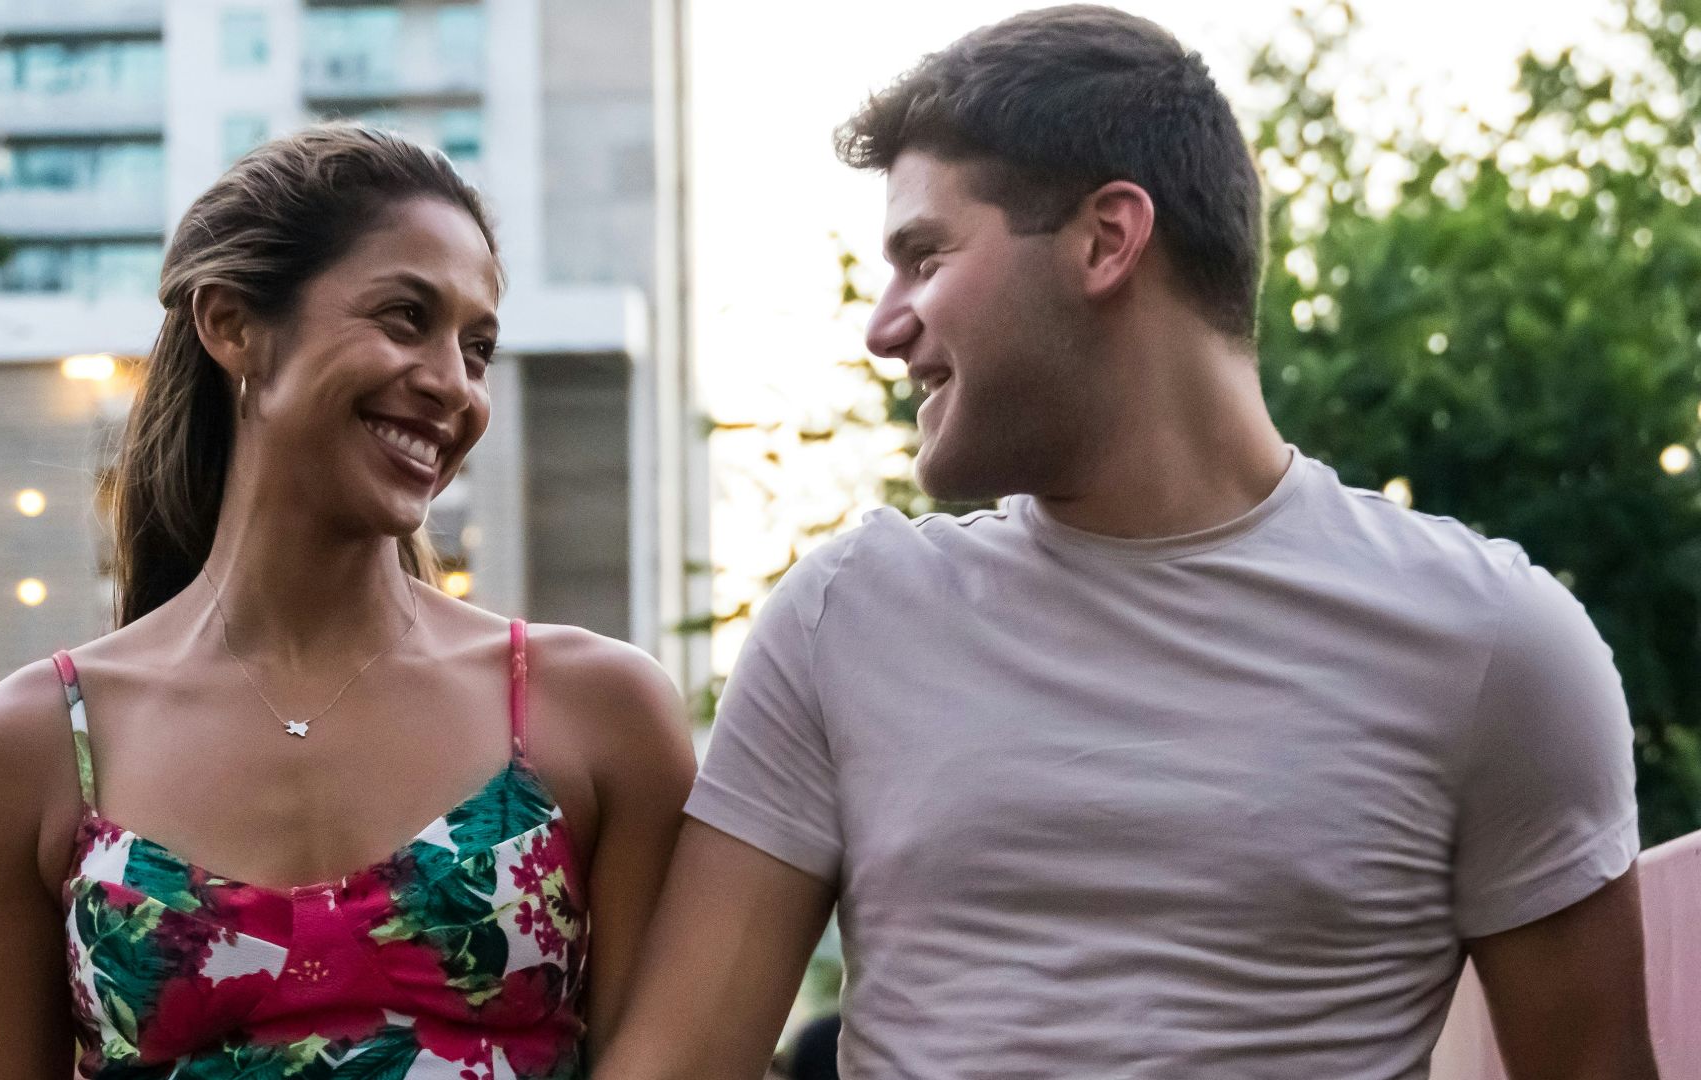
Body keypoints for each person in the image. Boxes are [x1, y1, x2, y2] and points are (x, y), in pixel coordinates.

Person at [595, 7, 1659, 1079]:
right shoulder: (841, 620)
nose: (885, 323)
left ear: (1107, 239)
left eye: (924, 256)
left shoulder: (1496, 647)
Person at [0, 124, 695, 1080]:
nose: (452, 386)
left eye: (478, 347)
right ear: (232, 325)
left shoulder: (595, 713)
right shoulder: (29, 748)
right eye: (404, 317)